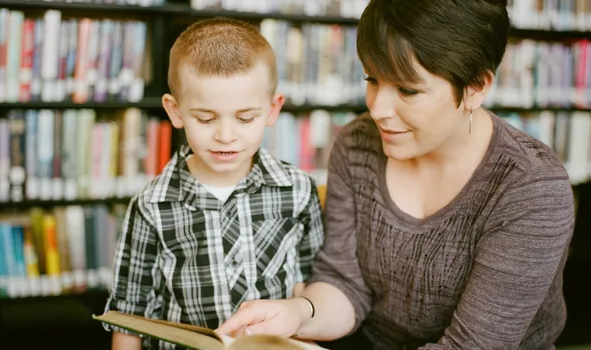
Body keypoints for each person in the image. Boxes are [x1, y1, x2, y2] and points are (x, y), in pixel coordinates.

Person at [216, 0, 576, 349]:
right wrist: (297, 313)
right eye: (372, 79)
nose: (377, 108)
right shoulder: (357, 145)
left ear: (476, 87)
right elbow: (345, 284)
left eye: (407, 90)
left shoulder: (530, 188)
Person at [104, 17, 325, 350]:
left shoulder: (297, 190)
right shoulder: (151, 205)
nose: (225, 136)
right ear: (175, 111)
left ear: (272, 109)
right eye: (206, 119)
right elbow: (128, 313)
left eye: (245, 118)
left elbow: (311, 283)